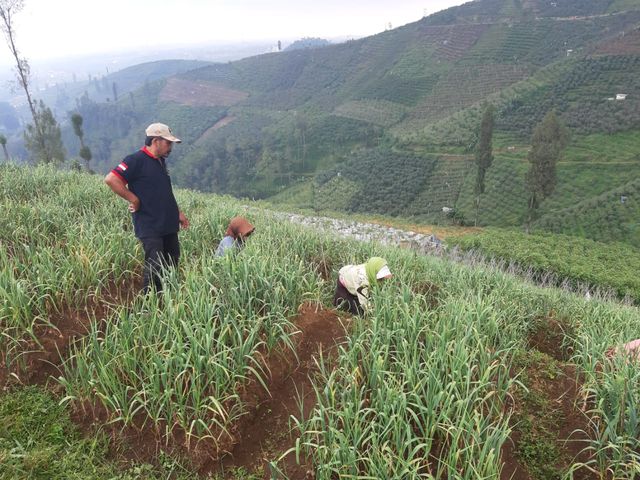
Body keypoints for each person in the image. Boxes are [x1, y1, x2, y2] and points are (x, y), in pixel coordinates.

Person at [104, 122, 189, 293]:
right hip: (150, 225)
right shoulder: (135, 160)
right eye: (168, 142)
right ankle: (150, 305)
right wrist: (133, 199)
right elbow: (111, 179)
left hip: (168, 223)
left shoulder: (160, 161)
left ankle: (168, 298)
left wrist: (178, 212)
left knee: (172, 261)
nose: (170, 147)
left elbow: (165, 191)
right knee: (155, 265)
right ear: (156, 140)